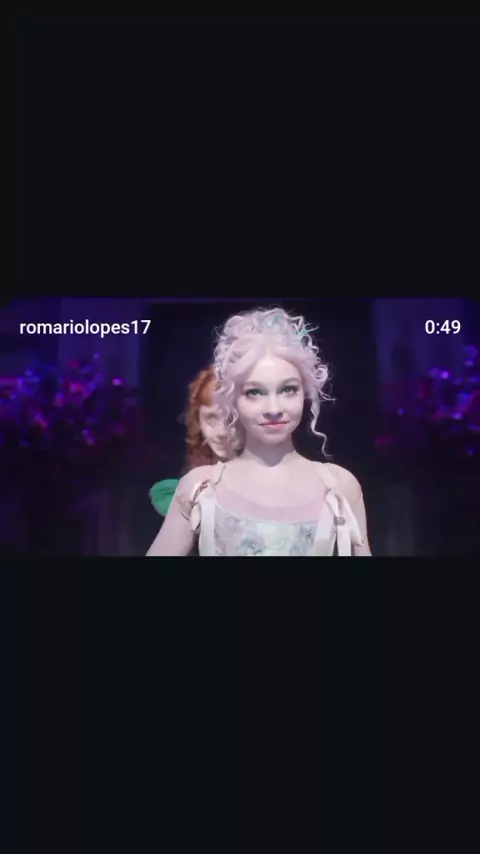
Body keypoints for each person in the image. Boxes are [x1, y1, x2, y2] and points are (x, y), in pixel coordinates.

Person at [147, 307, 371, 556]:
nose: (273, 408)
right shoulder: (200, 489)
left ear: (305, 392)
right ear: (232, 399)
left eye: (288, 389)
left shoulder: (339, 487)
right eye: (254, 392)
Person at [149, 365, 235, 517]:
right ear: (198, 421)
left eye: (230, 418)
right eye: (211, 418)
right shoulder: (183, 494)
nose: (221, 431)